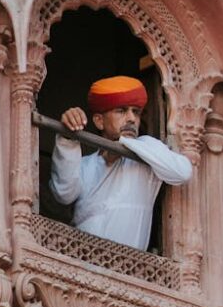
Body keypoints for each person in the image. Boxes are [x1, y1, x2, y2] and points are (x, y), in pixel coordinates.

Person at [49, 75, 192, 251]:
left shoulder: (147, 149)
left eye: (136, 112)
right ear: (99, 121)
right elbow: (63, 194)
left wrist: (125, 143)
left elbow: (182, 172)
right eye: (122, 111)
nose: (131, 118)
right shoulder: (86, 165)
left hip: (127, 268)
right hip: (83, 260)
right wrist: (67, 138)